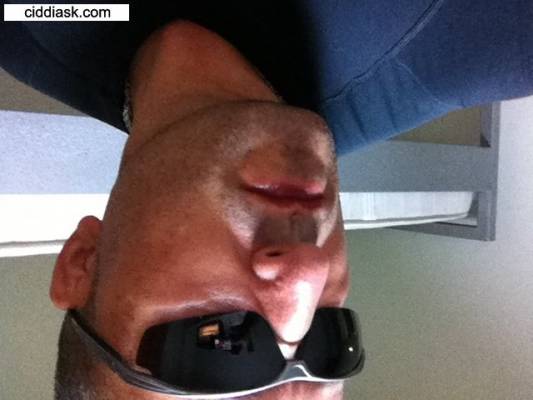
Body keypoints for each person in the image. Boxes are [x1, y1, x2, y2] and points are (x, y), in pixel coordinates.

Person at [1, 1, 532, 399]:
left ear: (83, 261)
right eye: (329, 340)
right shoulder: (490, 31)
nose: (309, 271)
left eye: (216, 344)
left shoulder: (26, 25)